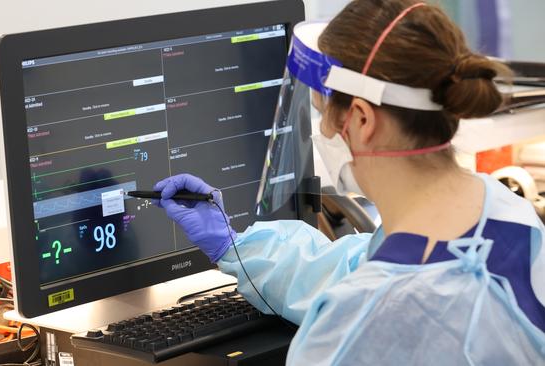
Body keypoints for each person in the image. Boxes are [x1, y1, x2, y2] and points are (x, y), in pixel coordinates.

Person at [155, 0, 545, 364]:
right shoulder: (504, 210)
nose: (322, 129)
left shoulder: (357, 326)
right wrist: (236, 247)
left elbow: (375, 299)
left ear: (361, 119)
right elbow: (354, 268)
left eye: (322, 112)